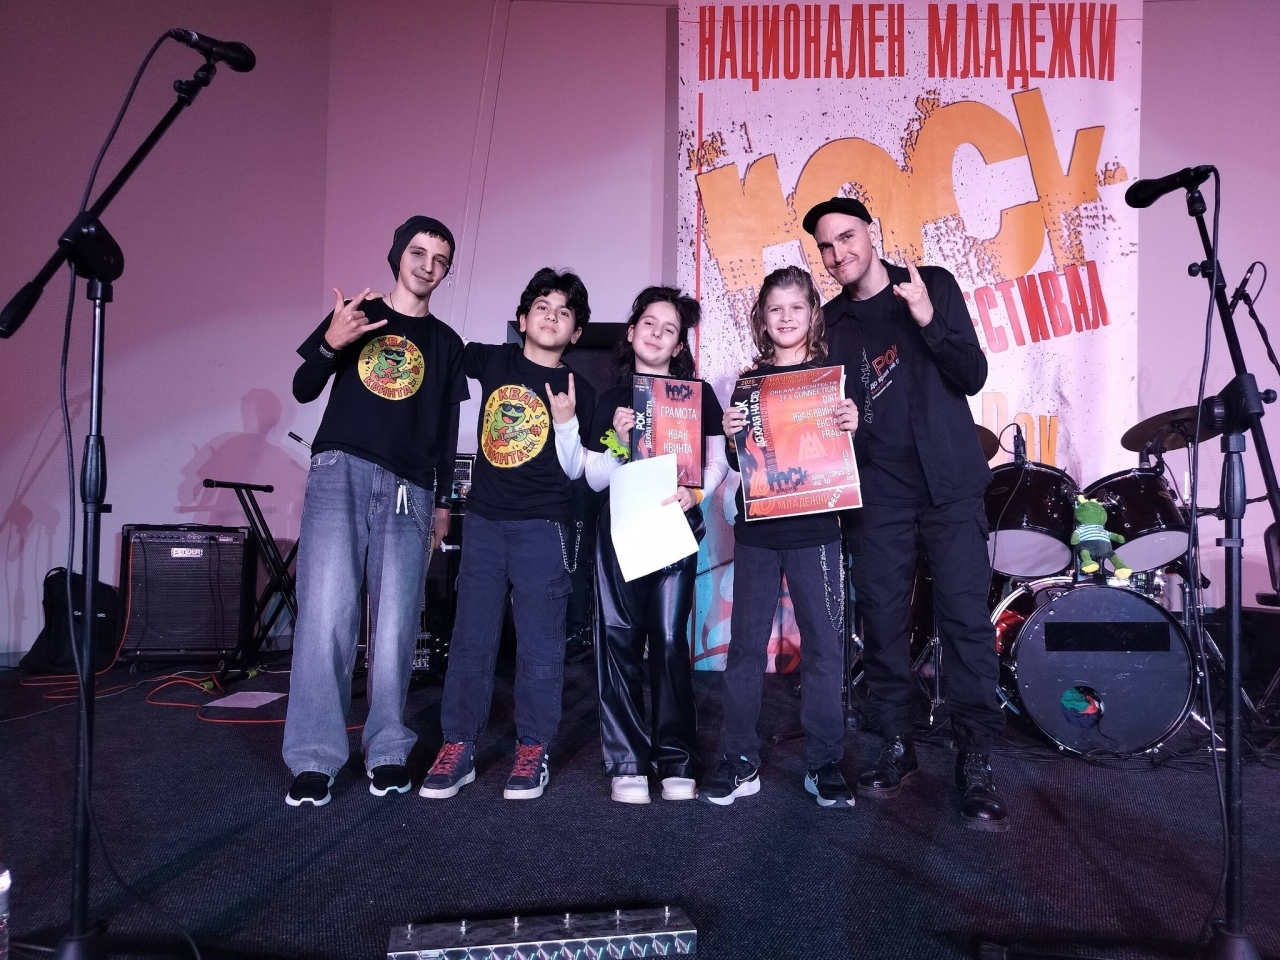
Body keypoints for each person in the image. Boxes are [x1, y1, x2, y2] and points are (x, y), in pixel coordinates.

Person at [803, 196, 1009, 832]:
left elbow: (972, 375)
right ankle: (896, 741)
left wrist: (927, 319)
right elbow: (826, 418)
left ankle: (976, 756)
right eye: (826, 246)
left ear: (873, 233)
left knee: (965, 623)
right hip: (879, 493)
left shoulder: (931, 285)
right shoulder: (830, 323)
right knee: (885, 625)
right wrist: (840, 421)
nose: (838, 253)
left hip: (949, 486)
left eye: (847, 237)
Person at [283, 216, 468, 807]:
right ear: (397, 255)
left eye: (440, 259)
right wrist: (331, 342)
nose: (427, 266)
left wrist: (443, 502)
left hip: (411, 488)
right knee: (325, 615)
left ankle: (387, 750)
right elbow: (303, 386)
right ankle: (314, 758)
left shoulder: (447, 343)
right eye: (418, 252)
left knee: (396, 624)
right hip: (340, 468)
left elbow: (446, 431)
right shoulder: (358, 314)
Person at [420, 268, 597, 801]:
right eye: (542, 306)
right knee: (471, 636)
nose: (551, 316)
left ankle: (533, 747)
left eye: (564, 312)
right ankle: (458, 744)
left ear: (576, 332)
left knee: (541, 643)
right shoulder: (495, 361)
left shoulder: (581, 390)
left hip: (544, 526)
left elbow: (583, 468)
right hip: (484, 524)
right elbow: (439, 347)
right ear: (522, 319)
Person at [699, 266, 860, 808]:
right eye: (775, 309)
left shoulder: (831, 379)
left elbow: (849, 458)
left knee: (824, 648)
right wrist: (730, 436)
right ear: (762, 319)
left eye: (796, 307)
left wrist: (853, 425)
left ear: (813, 314)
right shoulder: (750, 382)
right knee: (745, 648)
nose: (786, 317)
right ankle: (739, 759)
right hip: (759, 530)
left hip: (817, 531)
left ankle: (823, 762)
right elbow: (740, 464)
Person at [583, 286, 730, 804]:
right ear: (631, 331)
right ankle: (627, 761)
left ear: (678, 345)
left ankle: (676, 758)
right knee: (619, 638)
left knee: (668, 641)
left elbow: (718, 462)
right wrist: (620, 445)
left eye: (670, 330)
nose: (657, 334)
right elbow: (593, 479)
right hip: (620, 528)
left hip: (675, 524)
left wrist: (697, 493)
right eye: (649, 323)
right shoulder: (610, 399)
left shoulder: (698, 396)